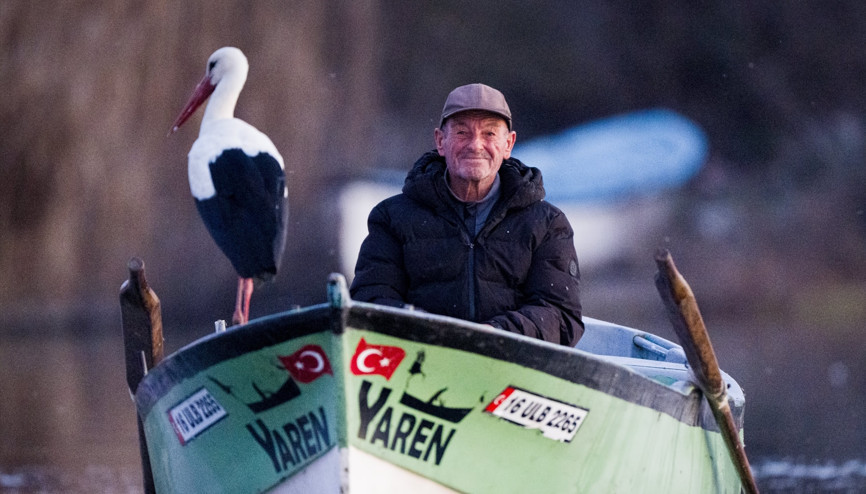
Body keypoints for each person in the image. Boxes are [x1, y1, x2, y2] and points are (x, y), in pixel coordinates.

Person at [350, 83, 583, 346]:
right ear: (441, 141)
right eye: (462, 132)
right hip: (418, 362)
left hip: (511, 365)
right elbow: (370, 302)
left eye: (489, 133)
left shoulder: (547, 224)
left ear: (508, 144)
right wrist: (427, 330)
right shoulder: (391, 218)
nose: (475, 145)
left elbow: (561, 316)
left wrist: (497, 334)